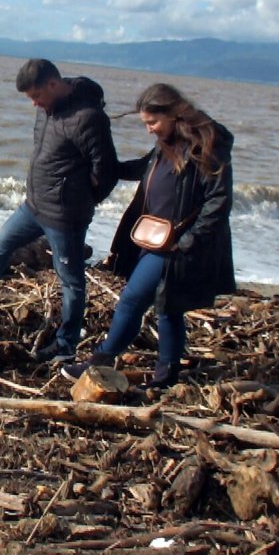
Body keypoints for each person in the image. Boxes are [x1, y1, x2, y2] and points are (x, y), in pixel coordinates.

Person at [60, 83, 235, 389]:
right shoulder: (165, 143)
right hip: (156, 237)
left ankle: (100, 360)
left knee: (132, 300)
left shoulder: (205, 145)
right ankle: (166, 375)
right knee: (168, 307)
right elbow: (144, 168)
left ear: (173, 113)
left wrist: (188, 241)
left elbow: (218, 201)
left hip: (177, 244)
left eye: (152, 122)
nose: (149, 129)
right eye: (145, 123)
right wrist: (103, 167)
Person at [0, 58, 119, 363]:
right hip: (34, 206)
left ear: (53, 84)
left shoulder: (88, 118)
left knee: (71, 281)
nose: (33, 103)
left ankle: (66, 345)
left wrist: (81, 200)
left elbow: (106, 172)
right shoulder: (46, 109)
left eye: (36, 96)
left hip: (65, 217)